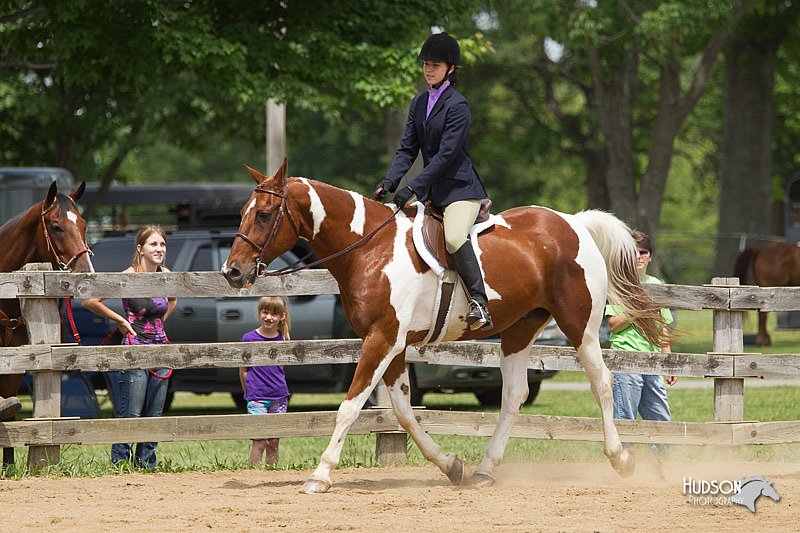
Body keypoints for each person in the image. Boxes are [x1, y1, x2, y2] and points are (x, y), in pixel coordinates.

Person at [373, 31, 492, 330]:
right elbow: (407, 149)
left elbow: (447, 155)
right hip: (433, 190)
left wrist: (414, 187)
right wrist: (390, 181)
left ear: (451, 68)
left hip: (460, 188)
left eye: (435, 65)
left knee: (453, 237)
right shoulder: (418, 102)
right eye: (426, 64)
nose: (429, 69)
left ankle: (480, 301)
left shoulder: (458, 105)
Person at [82, 225, 177, 468]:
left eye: (162, 244)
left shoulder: (165, 274)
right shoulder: (129, 274)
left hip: (161, 350)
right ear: (140, 248)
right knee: (131, 412)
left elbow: (174, 298)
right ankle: (121, 463)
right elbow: (91, 301)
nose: (159, 249)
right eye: (153, 244)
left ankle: (147, 463)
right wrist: (122, 320)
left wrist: (158, 324)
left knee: (154, 414)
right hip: (134, 350)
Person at [605, 230, 676, 460]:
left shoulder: (656, 285)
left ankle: (662, 466)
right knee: (626, 415)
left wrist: (668, 359)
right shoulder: (619, 284)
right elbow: (614, 325)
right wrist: (637, 308)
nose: (638, 257)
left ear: (650, 256)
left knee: (660, 416)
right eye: (633, 252)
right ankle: (626, 462)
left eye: (643, 252)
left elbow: (663, 325)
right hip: (626, 358)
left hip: (653, 360)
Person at [239, 296, 291, 466]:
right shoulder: (249, 338)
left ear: (281, 316)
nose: (269, 317)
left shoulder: (283, 339)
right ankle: (253, 473)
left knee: (273, 441)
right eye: (265, 312)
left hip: (279, 395)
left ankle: (272, 471)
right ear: (259, 313)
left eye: (274, 314)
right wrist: (249, 390)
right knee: (259, 440)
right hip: (257, 396)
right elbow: (243, 371)